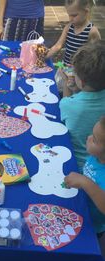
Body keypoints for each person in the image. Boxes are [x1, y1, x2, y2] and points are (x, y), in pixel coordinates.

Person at [59, 41, 105, 172]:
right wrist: (77, 89)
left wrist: (66, 84)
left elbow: (66, 103)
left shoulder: (69, 105)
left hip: (77, 166)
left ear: (82, 82)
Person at [64, 116, 105, 237]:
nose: (88, 138)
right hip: (80, 205)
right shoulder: (96, 156)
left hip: (91, 225)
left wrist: (85, 182)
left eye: (94, 140)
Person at [47, 0, 101, 65]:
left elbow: (97, 53)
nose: (70, 19)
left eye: (74, 15)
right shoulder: (68, 28)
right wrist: (44, 57)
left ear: (86, 11)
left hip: (81, 70)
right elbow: (58, 46)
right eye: (69, 15)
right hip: (66, 67)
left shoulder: (92, 31)